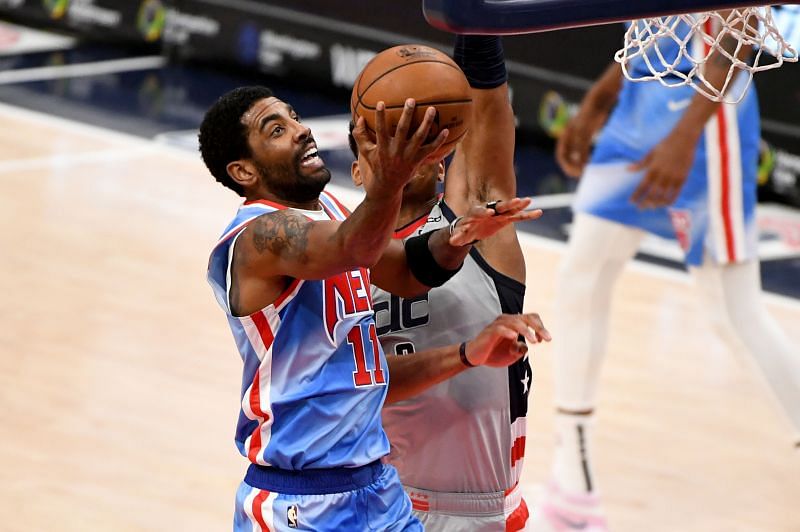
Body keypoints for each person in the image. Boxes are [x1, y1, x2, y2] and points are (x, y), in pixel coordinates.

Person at [200, 85, 544, 531]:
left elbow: (407, 269)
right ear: (243, 170)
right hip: (300, 503)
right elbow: (351, 247)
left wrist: (458, 237)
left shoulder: (328, 211)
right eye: (277, 129)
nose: (302, 131)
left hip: (378, 490)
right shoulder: (259, 237)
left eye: (294, 116)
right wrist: (391, 179)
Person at [529, 17, 800, 532]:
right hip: (643, 96)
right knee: (582, 275)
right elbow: (653, 19)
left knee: (733, 312)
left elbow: (738, 31)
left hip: (708, 112)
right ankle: (574, 486)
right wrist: (601, 97)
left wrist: (684, 136)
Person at [349, 36, 544, 531]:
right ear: (356, 169)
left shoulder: (477, 228)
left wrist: (477, 25)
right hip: (373, 497)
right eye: (385, 135)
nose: (403, 147)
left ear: (442, 157)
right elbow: (341, 388)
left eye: (418, 136)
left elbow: (488, 99)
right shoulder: (337, 253)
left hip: (473, 507)